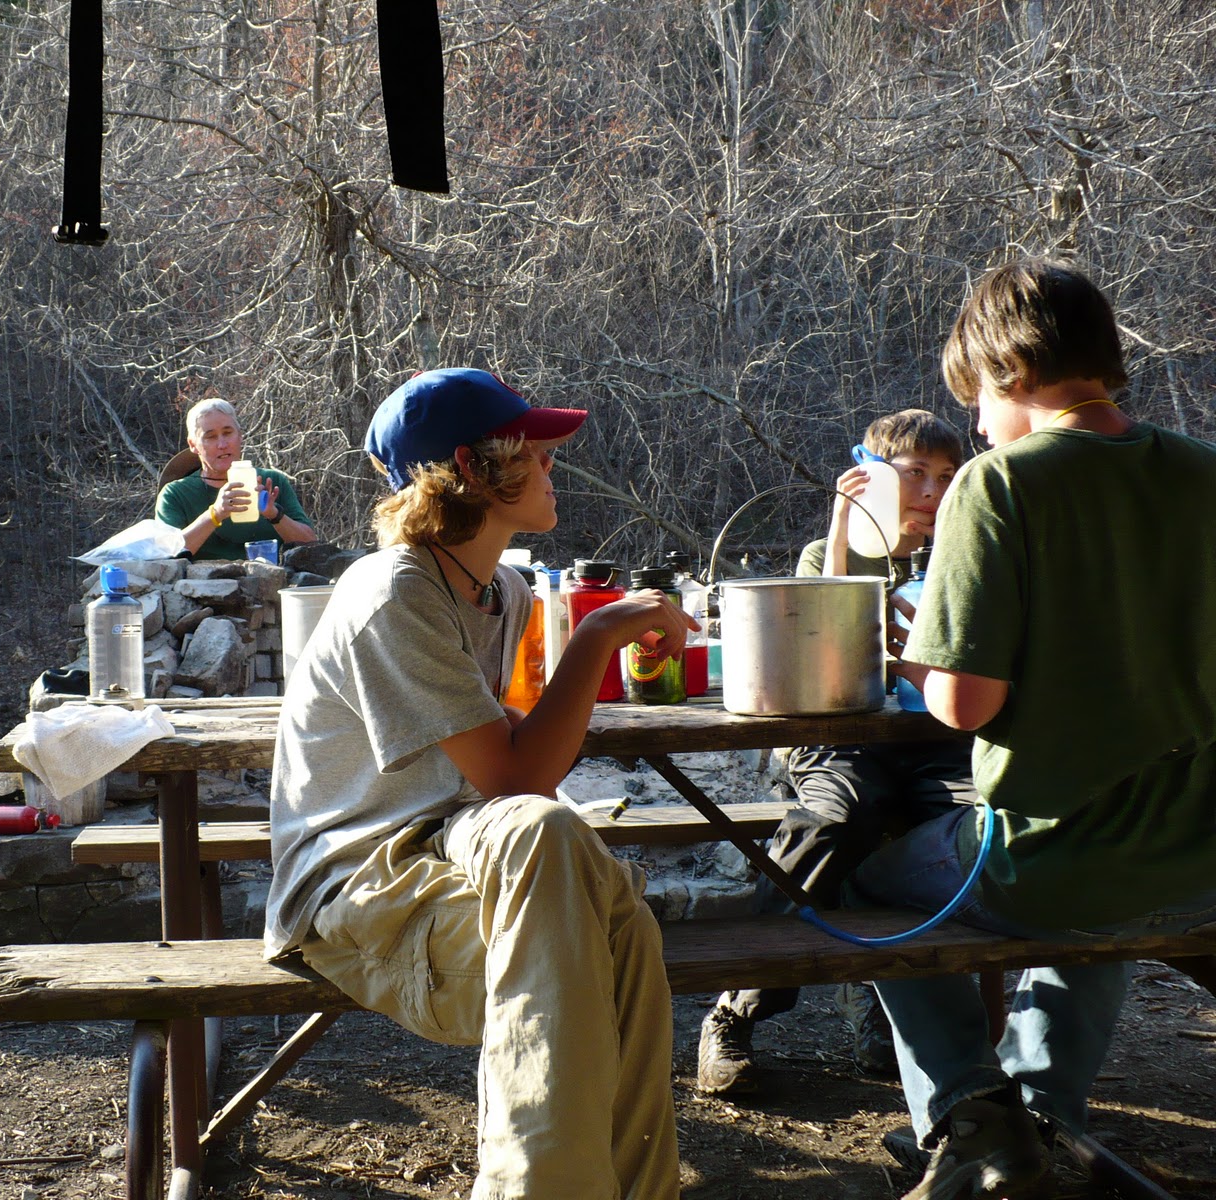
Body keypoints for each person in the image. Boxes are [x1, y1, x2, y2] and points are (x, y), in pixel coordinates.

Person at [265, 367, 693, 1199]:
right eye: (533, 455)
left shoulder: (505, 590)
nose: (551, 470)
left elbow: (509, 778)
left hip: (456, 854)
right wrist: (599, 632)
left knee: (623, 927)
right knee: (559, 858)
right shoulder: (393, 592)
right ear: (471, 468)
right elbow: (513, 776)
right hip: (359, 884)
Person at [848, 258, 1216, 1200]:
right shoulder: (1201, 472)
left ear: (1007, 372)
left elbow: (964, 703)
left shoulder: (998, 483)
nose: (973, 422)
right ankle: (1047, 1110)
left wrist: (918, 662)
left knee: (866, 883)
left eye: (975, 398)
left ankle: (973, 1112)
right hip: (1199, 856)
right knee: (1096, 863)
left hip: (1053, 864)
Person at [697, 410, 976, 1096]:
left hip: (936, 743)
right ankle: (739, 1005)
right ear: (877, 475)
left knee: (958, 831)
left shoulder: (965, 555)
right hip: (840, 737)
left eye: (945, 479)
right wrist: (847, 529)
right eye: (914, 476)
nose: (930, 494)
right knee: (840, 817)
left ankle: (903, 1013)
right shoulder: (829, 556)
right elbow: (817, 644)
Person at [154, 398, 317, 560]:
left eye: (227, 433)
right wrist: (215, 514)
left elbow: (311, 545)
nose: (222, 444)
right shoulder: (175, 494)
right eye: (210, 437)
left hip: (273, 580)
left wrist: (274, 514)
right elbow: (166, 554)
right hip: (207, 584)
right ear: (193, 445)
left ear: (240, 436)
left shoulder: (272, 481)